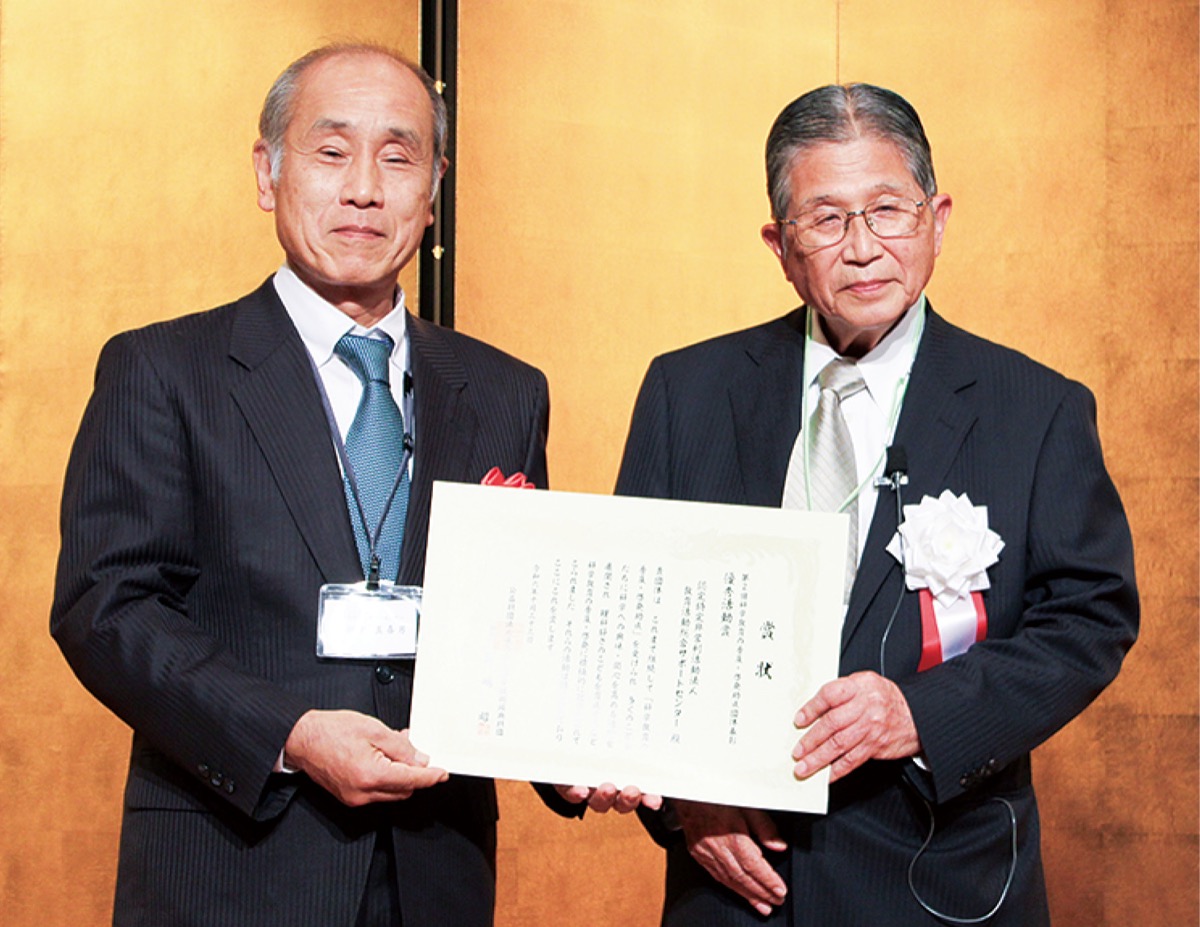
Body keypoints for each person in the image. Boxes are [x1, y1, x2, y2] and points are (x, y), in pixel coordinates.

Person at [52, 43, 554, 926]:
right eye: (331, 151)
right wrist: (289, 731)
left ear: (433, 190)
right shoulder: (164, 370)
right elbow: (107, 608)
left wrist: (584, 749)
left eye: (397, 157)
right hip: (234, 864)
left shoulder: (506, 390)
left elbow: (524, 619)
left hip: (436, 869)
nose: (364, 189)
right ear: (267, 171)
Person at [616, 83, 1138, 926]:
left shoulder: (1035, 407)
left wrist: (919, 714)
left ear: (938, 220)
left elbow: (1090, 619)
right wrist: (683, 801)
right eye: (825, 220)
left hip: (945, 880)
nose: (862, 248)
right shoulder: (688, 392)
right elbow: (630, 624)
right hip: (739, 888)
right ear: (780, 246)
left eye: (888, 210)